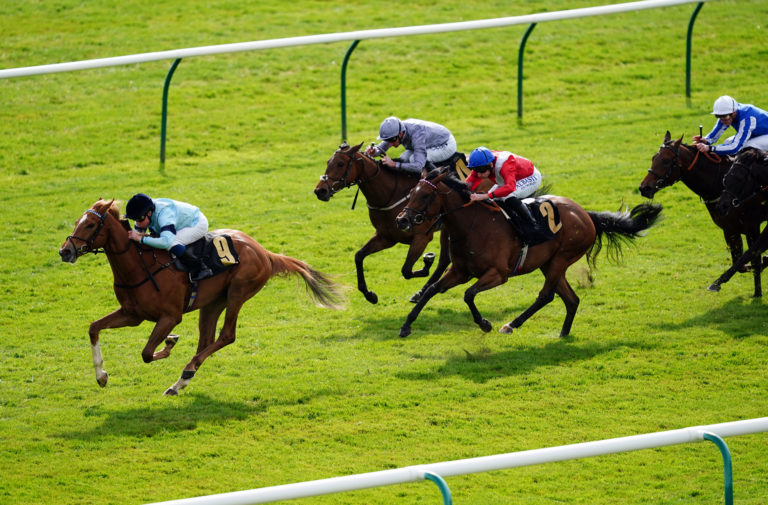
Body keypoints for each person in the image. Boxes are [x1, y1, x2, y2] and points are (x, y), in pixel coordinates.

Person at [125, 193, 213, 281]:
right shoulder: (147, 211)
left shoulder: (165, 215)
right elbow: (136, 235)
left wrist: (141, 239)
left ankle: (201, 268)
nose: (138, 223)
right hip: (180, 221)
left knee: (172, 243)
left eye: (140, 218)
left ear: (149, 212)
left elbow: (166, 242)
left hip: (197, 223)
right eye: (134, 219)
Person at [464, 146, 542, 240]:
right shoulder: (483, 163)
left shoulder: (505, 164)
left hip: (530, 177)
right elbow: (468, 183)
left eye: (481, 170)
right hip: (510, 179)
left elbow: (510, 187)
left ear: (491, 165)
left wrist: (485, 195)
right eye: (476, 170)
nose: (479, 174)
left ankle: (532, 224)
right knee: (492, 198)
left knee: (507, 196)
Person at [364, 116, 457, 175]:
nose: (390, 144)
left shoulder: (417, 135)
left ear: (400, 134)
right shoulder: (397, 132)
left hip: (446, 144)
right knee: (404, 157)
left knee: (412, 159)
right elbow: (382, 147)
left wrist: (393, 164)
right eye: (387, 140)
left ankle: (433, 186)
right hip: (430, 142)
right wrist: (375, 151)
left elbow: (418, 166)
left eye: (392, 140)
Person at [692, 95, 768, 155]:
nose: (722, 120)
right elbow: (713, 136)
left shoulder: (747, 118)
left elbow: (735, 147)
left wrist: (710, 148)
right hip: (758, 135)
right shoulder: (727, 115)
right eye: (718, 116)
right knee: (727, 142)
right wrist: (705, 140)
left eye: (725, 116)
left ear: (734, 113)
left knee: (747, 146)